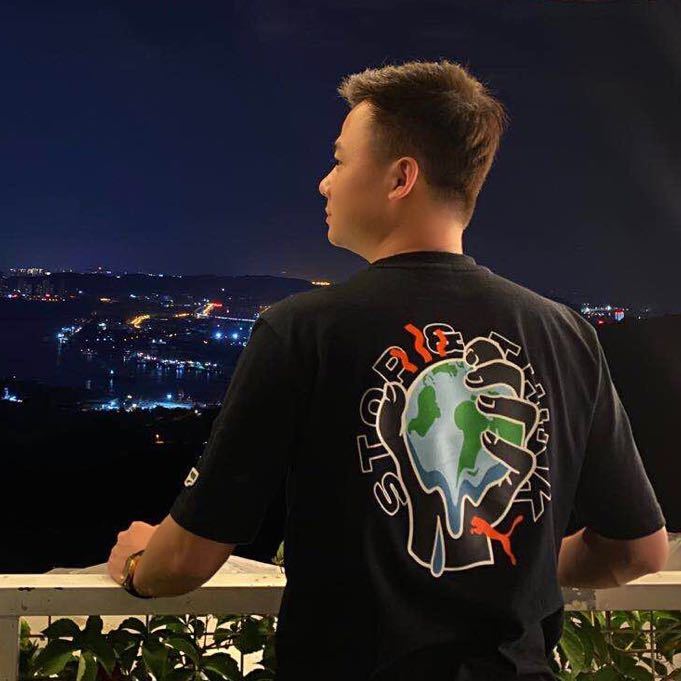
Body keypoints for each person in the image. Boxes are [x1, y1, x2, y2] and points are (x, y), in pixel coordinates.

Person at [107, 59, 668, 680]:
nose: (324, 183)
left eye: (340, 160)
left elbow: (187, 559)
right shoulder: (564, 333)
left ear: (401, 177)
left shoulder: (304, 330)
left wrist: (136, 564)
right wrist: (510, 561)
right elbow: (637, 550)